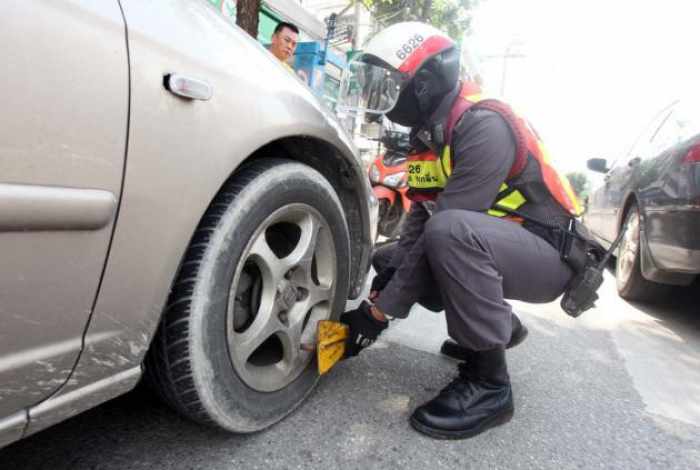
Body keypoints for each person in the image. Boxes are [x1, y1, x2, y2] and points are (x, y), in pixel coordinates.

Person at [337, 22, 582, 440]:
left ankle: (490, 385)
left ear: (425, 83)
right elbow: (420, 222)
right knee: (391, 257)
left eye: (386, 84)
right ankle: (499, 328)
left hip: (550, 254)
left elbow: (445, 227)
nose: (376, 97)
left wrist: (376, 316)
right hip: (498, 246)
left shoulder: (483, 124)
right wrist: (386, 285)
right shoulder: (427, 137)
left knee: (450, 233)